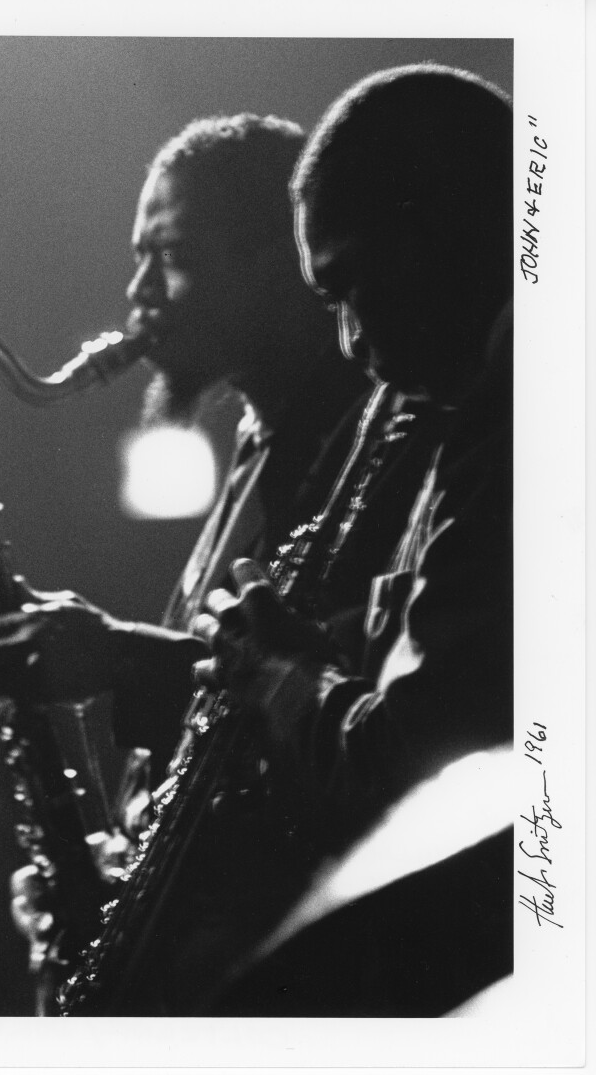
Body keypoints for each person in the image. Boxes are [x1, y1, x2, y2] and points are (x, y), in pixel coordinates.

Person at [0, 113, 368, 1005]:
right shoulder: (261, 440)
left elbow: (346, 698)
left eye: (170, 255)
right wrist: (110, 871)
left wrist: (115, 656)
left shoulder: (361, 446)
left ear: (280, 258)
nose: (137, 293)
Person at [192, 64, 513, 1014]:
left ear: (433, 235)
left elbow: (408, 776)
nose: (346, 341)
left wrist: (281, 678)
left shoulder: (518, 410)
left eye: (347, 285)